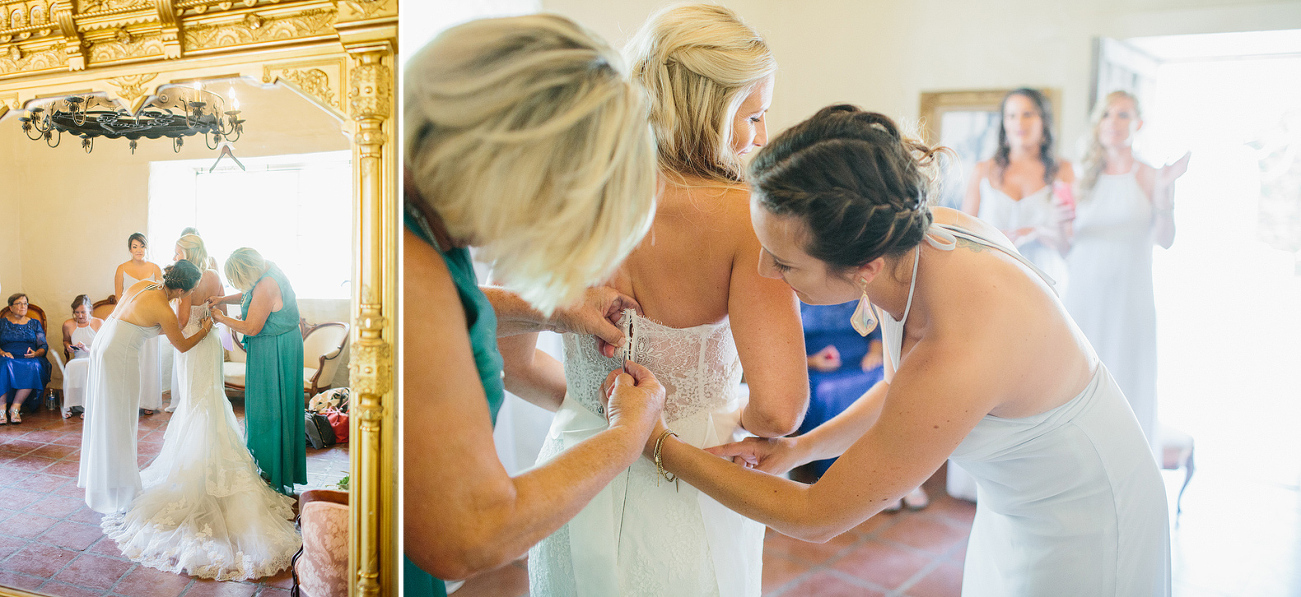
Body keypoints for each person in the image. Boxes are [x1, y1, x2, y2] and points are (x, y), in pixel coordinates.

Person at [652, 106, 1170, 596]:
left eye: (785, 263)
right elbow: (904, 390)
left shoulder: (963, 344)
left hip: (1087, 520)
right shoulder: (901, 234)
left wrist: (656, 444)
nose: (765, 271)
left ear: (862, 269)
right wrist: (799, 449)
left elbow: (818, 515)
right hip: (1015, 503)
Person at [501, 6, 807, 595]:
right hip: (695, 481)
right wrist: (694, 419)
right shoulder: (748, 217)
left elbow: (513, 364)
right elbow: (779, 409)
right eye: (754, 114)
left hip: (573, 474)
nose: (762, 135)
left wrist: (609, 415)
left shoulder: (558, 197)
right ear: (709, 112)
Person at [403, 15, 668, 597]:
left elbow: (445, 317)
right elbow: (469, 537)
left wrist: (553, 311)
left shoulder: (420, 225)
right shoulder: (410, 265)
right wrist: (627, 436)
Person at [102, 237, 300, 580]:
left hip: (196, 341)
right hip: (209, 341)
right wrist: (219, 307)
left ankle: (202, 456)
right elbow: (241, 297)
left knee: (196, 401)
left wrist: (207, 317)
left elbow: (181, 323)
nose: (174, 255)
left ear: (184, 257)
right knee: (211, 399)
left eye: (178, 251)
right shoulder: (218, 275)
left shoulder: (188, 285)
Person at [953, 87, 1075, 501]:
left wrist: (1041, 231)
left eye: (1027, 116)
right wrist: (994, 238)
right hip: (994, 281)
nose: (1019, 125)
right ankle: (983, 479)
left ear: (1043, 122)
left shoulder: (1063, 172)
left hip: (1047, 279)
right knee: (989, 374)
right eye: (1011, 117)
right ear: (1002, 125)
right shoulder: (984, 170)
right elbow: (962, 233)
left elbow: (1067, 243)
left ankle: (1038, 475)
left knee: (1039, 377)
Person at [1065, 90, 1190, 455]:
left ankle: (1127, 463)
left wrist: (1166, 193)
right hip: (1084, 293)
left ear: (1138, 123)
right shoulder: (1080, 176)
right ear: (1097, 123)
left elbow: (1165, 240)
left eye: (1123, 115)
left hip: (1130, 296)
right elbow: (1065, 244)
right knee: (1079, 377)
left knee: (1126, 374)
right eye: (1107, 115)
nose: (1114, 123)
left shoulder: (1150, 175)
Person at [79, 261, 213, 514]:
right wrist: (205, 329)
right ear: (182, 291)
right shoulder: (163, 307)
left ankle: (104, 482)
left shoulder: (144, 285)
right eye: (192, 290)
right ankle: (120, 491)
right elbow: (182, 345)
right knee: (120, 418)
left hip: (103, 344)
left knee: (105, 413)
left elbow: (135, 321)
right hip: (119, 354)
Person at [797, 301, 928, 510]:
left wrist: (875, 352)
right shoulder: (794, 297)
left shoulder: (857, 291)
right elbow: (777, 348)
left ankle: (900, 476)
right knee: (832, 393)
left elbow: (876, 330)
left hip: (861, 358)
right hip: (818, 366)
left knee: (888, 382)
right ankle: (862, 480)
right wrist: (812, 361)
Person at [209, 248, 306, 496]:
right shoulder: (265, 269)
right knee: (271, 406)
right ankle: (272, 464)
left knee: (270, 408)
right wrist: (222, 300)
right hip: (277, 343)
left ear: (246, 272)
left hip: (274, 349)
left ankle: (272, 468)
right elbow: (247, 294)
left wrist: (221, 318)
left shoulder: (267, 285)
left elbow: (251, 327)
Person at [114, 232, 165, 415]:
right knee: (131, 360)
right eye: (135, 246)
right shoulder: (121, 269)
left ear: (146, 247)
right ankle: (130, 401)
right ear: (129, 249)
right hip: (130, 320)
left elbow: (161, 295)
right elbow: (119, 297)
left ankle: (148, 401)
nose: (139, 250)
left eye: (142, 246)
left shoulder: (155, 268)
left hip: (150, 320)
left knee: (149, 360)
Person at [0, 293, 50, 423]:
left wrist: (36, 353)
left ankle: (15, 407)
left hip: (29, 357)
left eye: (25, 303)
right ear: (10, 307)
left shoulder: (34, 323)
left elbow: (43, 345)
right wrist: (1, 352)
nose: (23, 306)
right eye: (19, 303)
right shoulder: (2, 323)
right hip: (6, 355)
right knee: (4, 364)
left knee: (33, 365)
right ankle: (1, 409)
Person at [60, 294, 104, 418]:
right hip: (78, 357)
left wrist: (87, 349)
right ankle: (69, 406)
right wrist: (68, 346)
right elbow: (65, 340)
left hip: (94, 357)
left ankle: (88, 406)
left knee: (87, 365)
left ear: (90, 309)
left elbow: (104, 346)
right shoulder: (68, 324)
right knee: (70, 366)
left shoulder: (98, 323)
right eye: (77, 312)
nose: (80, 316)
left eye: (83, 312)